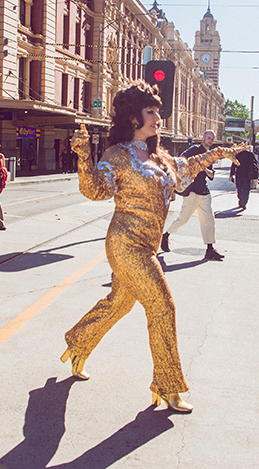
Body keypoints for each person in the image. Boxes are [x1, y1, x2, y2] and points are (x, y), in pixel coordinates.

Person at [61, 82, 246, 413]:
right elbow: (94, 190)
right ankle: (168, 385)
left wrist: (221, 152)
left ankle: (78, 341)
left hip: (147, 247)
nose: (158, 118)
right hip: (125, 244)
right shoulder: (117, 155)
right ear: (134, 117)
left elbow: (189, 166)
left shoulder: (161, 158)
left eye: (158, 112)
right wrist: (83, 155)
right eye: (151, 112)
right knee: (163, 307)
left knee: (119, 303)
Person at [160, 130, 225, 261]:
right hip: (193, 191)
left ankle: (210, 249)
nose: (210, 141)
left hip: (204, 191)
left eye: (212, 139)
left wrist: (204, 167)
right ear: (203, 137)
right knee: (183, 219)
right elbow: (181, 160)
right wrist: (193, 163)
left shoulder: (209, 155)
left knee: (209, 221)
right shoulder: (195, 149)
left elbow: (211, 175)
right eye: (208, 138)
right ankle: (165, 236)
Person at [229, 145, 258, 210]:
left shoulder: (238, 155)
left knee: (239, 188)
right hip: (247, 175)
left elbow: (233, 165)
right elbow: (255, 163)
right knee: (246, 189)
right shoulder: (250, 154)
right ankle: (243, 201)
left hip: (239, 174)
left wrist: (231, 174)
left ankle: (240, 199)